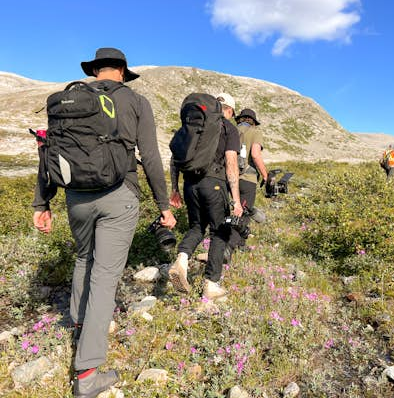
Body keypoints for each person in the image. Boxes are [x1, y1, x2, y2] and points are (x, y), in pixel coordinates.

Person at [32, 47, 176, 397]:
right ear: (123, 71)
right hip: (119, 192)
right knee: (106, 276)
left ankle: (80, 324)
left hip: (75, 196)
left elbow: (49, 149)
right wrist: (164, 204)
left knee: (84, 258)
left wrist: (42, 202)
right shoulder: (136, 102)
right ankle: (88, 372)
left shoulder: (70, 100)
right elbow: (151, 155)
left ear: (95, 70)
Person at [168, 92, 242, 300]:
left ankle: (181, 261)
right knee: (220, 232)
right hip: (214, 183)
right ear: (229, 110)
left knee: (197, 227)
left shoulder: (193, 126)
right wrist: (235, 199)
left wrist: (174, 188)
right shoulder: (228, 128)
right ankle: (211, 284)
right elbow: (231, 163)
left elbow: (175, 160)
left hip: (190, 184)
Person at [226, 108, 268, 258]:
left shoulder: (230, 130)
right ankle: (229, 248)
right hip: (247, 179)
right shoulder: (255, 132)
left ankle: (239, 244)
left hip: (228, 178)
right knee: (244, 214)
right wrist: (265, 175)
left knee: (230, 211)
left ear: (239, 119)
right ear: (253, 121)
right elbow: (255, 155)